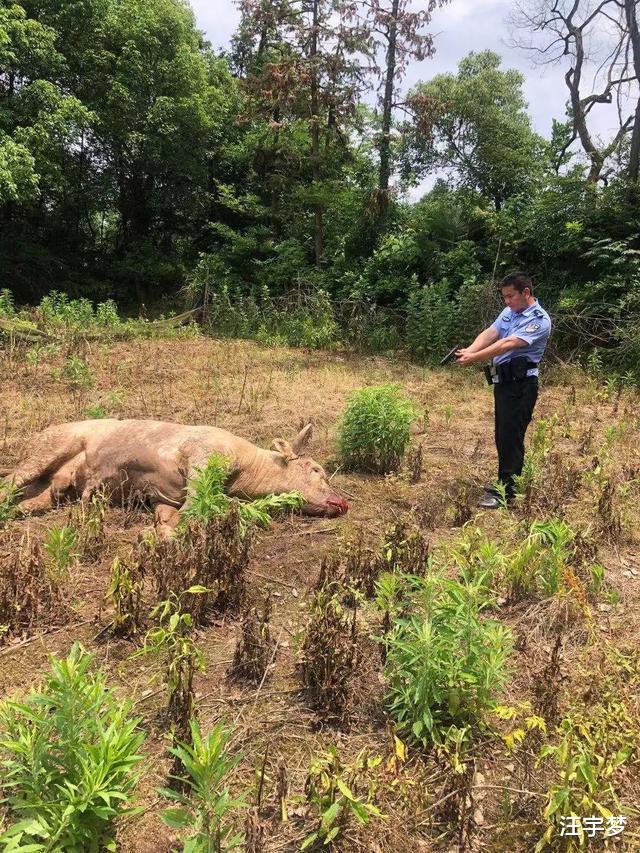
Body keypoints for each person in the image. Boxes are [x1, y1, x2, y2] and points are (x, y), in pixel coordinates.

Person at [455, 272, 552, 509]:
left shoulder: (539, 319)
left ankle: (507, 493)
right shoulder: (511, 311)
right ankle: (504, 480)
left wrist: (475, 357)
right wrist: (470, 349)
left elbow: (507, 343)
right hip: (504, 382)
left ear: (526, 293)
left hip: (521, 385)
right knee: (502, 434)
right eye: (504, 297)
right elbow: (493, 332)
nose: (507, 302)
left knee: (512, 436)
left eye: (511, 296)